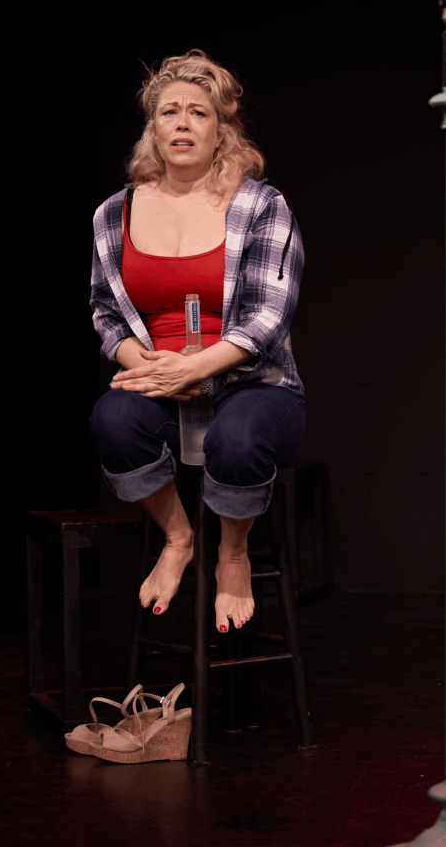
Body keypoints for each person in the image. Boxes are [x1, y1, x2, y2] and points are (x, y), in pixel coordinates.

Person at [89, 49, 305, 635]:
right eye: (169, 112)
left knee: (237, 439)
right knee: (113, 421)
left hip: (252, 385)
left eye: (198, 112)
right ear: (153, 129)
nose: (182, 122)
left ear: (220, 131)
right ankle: (179, 537)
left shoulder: (261, 206)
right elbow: (106, 313)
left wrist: (195, 369)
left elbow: (270, 315)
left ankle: (231, 552)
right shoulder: (113, 215)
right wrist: (146, 368)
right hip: (160, 384)